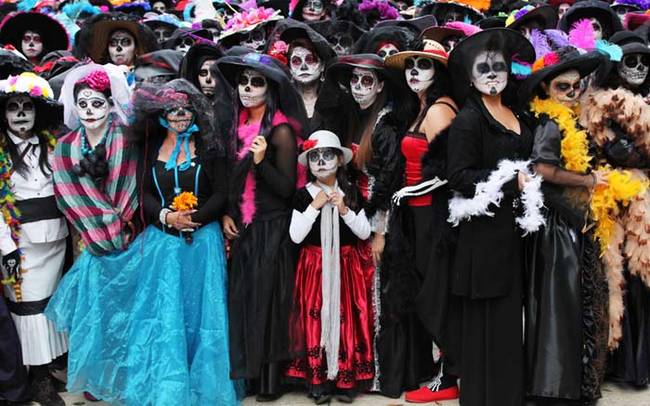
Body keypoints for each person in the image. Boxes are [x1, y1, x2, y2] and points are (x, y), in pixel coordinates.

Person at [47, 77, 241, 405]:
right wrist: (167, 217)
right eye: (174, 111)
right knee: (163, 316)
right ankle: (165, 384)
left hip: (202, 245)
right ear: (163, 115)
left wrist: (195, 218)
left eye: (186, 110)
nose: (181, 116)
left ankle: (201, 382)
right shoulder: (149, 145)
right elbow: (144, 193)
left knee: (202, 317)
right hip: (162, 246)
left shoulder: (209, 146)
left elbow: (222, 192)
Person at [445, 28, 538, 406]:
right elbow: (459, 178)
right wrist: (507, 181)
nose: (493, 72)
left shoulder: (513, 111)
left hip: (513, 234)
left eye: (499, 65)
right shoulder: (469, 120)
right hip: (483, 238)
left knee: (507, 323)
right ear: (470, 76)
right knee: (488, 324)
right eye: (483, 67)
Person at [217, 52, 307, 402]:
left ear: (269, 90)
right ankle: (250, 376)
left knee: (270, 302)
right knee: (245, 299)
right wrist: (226, 213)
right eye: (243, 82)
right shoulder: (233, 127)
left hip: (272, 227)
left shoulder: (280, 130)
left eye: (256, 83)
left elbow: (287, 190)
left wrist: (260, 162)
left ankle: (271, 380)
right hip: (243, 227)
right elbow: (227, 182)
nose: (248, 88)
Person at [523, 46, 610, 403]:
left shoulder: (572, 118)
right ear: (546, 90)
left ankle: (567, 381)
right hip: (557, 226)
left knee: (573, 302)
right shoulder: (550, 122)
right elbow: (542, 169)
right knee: (562, 301)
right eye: (563, 87)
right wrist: (589, 181)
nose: (572, 93)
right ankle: (555, 386)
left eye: (577, 86)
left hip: (573, 220)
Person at [324, 53, 414, 397]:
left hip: (381, 222)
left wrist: (379, 231)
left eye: (367, 81)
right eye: (354, 81)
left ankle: (384, 376)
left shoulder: (386, 124)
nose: (359, 88)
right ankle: (362, 370)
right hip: (357, 217)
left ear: (379, 86)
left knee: (381, 299)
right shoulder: (356, 118)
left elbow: (391, 180)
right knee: (363, 297)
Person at [383, 38, 459, 403]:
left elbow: (451, 169)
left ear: (439, 73)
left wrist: (410, 193)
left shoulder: (440, 109)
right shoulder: (420, 107)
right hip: (416, 214)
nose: (414, 71)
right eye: (411, 64)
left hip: (434, 214)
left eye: (424, 65)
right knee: (423, 291)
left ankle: (448, 378)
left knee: (435, 295)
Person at [286, 130, 373, 404]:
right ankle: (318, 379)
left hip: (345, 266)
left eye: (327, 156)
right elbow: (296, 236)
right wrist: (314, 207)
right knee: (315, 318)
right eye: (315, 157)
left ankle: (345, 378)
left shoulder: (350, 192)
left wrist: (345, 210)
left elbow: (364, 232)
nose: (321, 162)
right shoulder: (304, 196)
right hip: (315, 266)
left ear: (339, 160)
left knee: (345, 316)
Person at [0, 72, 67, 406]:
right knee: (25, 308)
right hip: (18, 242)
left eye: (27, 106)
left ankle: (47, 370)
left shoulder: (51, 145)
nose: (21, 112)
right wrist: (6, 247)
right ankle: (34, 376)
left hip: (55, 238)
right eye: (13, 107)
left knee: (49, 306)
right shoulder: (0, 151)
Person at [0, 12, 69, 65]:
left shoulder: (53, 69)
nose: (31, 44)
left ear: (44, 44)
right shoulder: (8, 66)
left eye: (37, 39)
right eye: (26, 39)